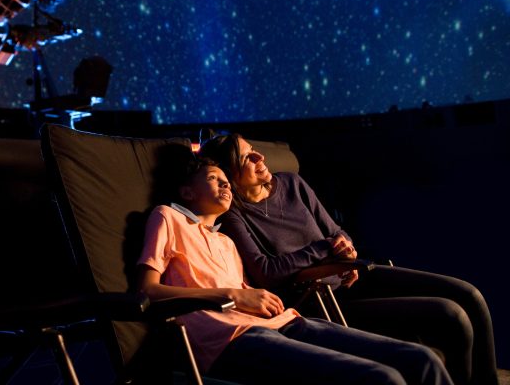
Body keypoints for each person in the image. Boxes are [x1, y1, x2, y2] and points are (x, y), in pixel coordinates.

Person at [198, 133, 499, 385]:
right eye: (246, 158)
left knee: (468, 295)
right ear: (230, 176)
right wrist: (324, 250)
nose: (260, 159)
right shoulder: (235, 214)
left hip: (353, 273)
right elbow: (266, 272)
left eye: (255, 151)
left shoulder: (291, 183)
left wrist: (345, 246)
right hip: (323, 299)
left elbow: (336, 232)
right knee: (449, 314)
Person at [136, 155, 452, 385]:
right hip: (227, 337)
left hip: (282, 321)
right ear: (187, 192)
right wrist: (233, 295)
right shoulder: (168, 217)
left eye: (226, 181)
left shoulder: (226, 242)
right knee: (382, 377)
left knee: (421, 359)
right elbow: (147, 291)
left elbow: (250, 293)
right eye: (213, 179)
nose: (225, 185)